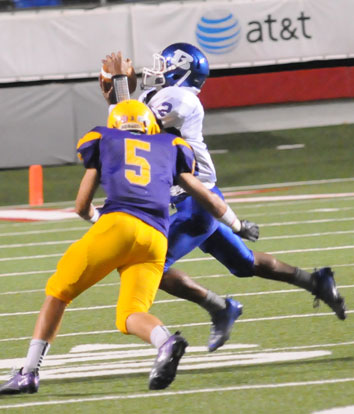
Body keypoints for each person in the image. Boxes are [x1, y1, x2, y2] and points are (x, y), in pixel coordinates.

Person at [101, 44, 346, 351]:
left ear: (181, 70)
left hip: (195, 201)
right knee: (246, 264)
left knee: (152, 266)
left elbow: (131, 134)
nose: (157, 70)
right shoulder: (158, 97)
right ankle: (316, 282)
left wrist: (120, 87)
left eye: (164, 65)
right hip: (193, 198)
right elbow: (127, 126)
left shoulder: (181, 98)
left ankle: (218, 307)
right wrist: (115, 94)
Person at [0, 100, 245, 395]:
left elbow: (81, 206)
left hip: (117, 224)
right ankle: (165, 342)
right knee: (130, 313)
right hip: (156, 237)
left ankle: (28, 372)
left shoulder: (104, 139)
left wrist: (98, 221)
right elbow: (209, 198)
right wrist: (238, 225)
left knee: (58, 292)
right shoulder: (171, 145)